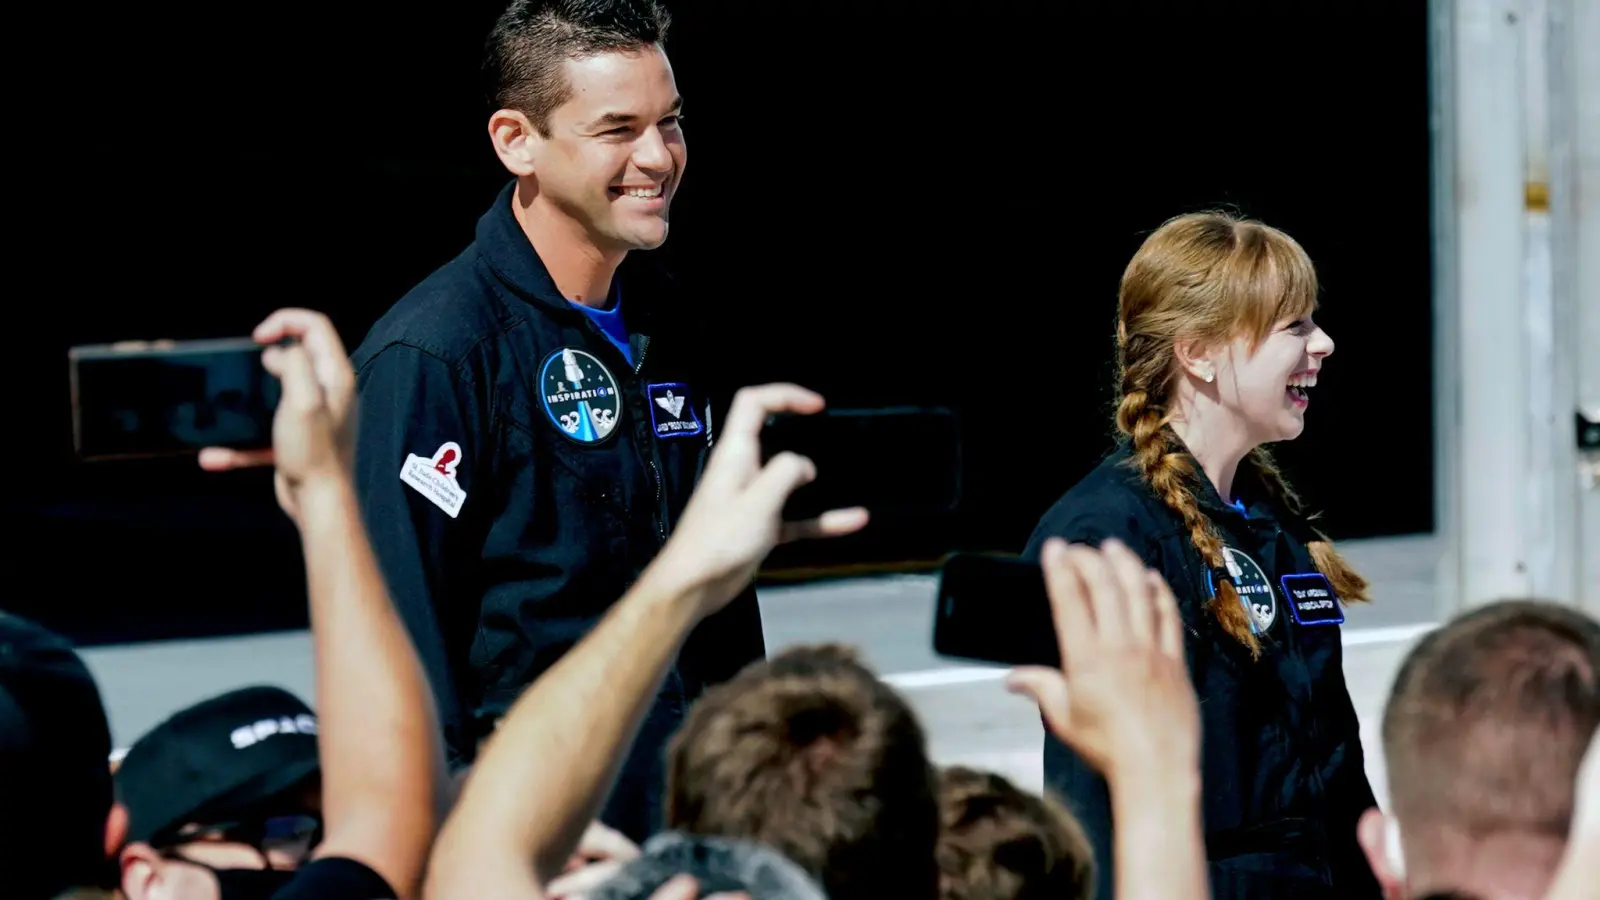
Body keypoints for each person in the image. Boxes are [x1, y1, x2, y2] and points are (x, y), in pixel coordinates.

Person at [347, 0, 758, 841]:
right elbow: (394, 651)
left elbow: (720, 611)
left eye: (670, 121)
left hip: (697, 827)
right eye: (618, 129)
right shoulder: (433, 356)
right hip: (537, 846)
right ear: (515, 141)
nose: (658, 157)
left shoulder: (676, 323)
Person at [1021, 211, 1382, 899]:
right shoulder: (1106, 536)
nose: (1325, 344)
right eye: (1294, 327)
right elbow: (1090, 797)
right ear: (1200, 353)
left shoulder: (1272, 522)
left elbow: (1334, 770)